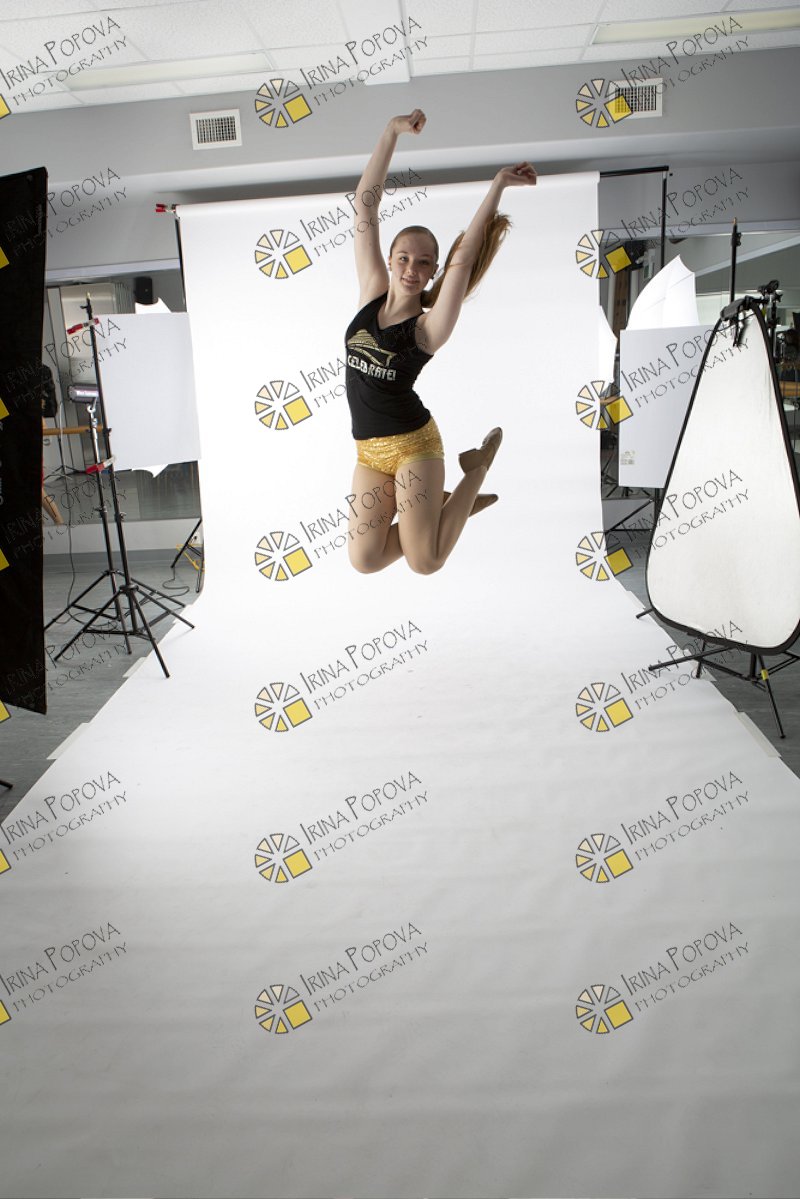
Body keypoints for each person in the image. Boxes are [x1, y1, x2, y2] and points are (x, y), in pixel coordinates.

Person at [344, 108, 536, 575]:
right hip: (369, 451)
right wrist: (390, 131)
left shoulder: (428, 329)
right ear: (391, 259)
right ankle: (447, 509)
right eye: (404, 257)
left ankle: (476, 470)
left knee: (424, 560)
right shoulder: (371, 293)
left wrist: (498, 185)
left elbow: (464, 260)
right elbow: (365, 208)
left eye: (424, 262)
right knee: (364, 560)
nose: (412, 268)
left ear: (433, 271)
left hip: (415, 446)